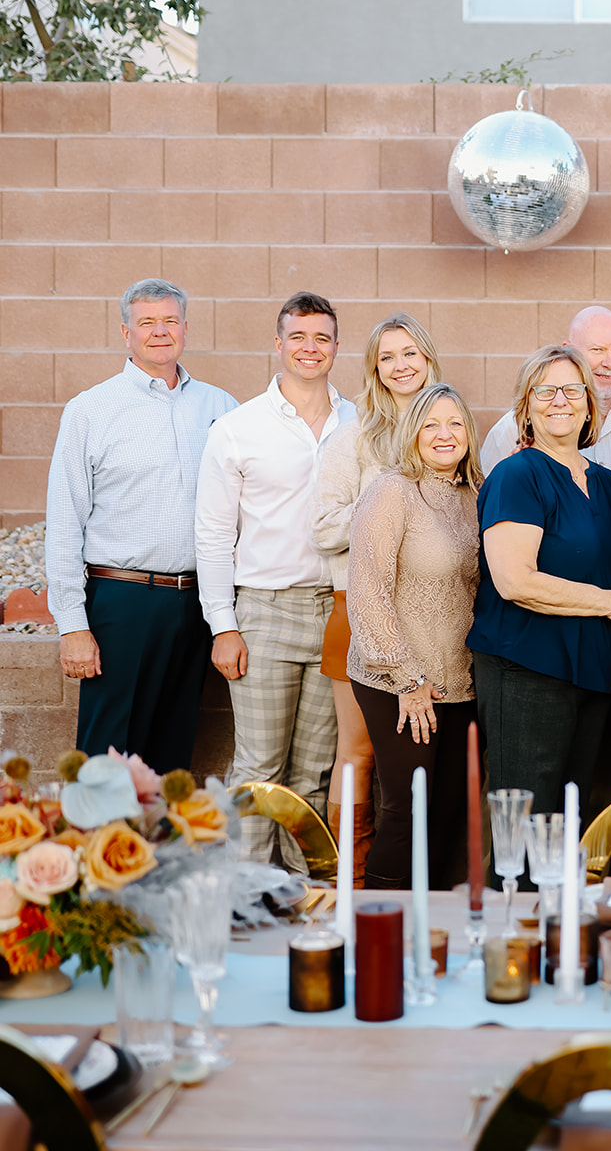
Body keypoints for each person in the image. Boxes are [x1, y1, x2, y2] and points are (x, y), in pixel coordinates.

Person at [45, 278, 238, 772]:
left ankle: (157, 851)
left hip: (195, 602)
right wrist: (72, 625)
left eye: (170, 320)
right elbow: (66, 520)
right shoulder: (90, 410)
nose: (159, 332)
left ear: (186, 329)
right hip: (121, 603)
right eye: (146, 322)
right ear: (126, 332)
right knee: (106, 757)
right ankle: (93, 849)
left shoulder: (222, 409)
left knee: (172, 755)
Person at [194, 293, 356, 867]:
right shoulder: (238, 429)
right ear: (280, 342)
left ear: (337, 346)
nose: (310, 348)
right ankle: (243, 899)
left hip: (339, 613)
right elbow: (213, 534)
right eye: (298, 337)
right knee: (258, 768)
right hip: (264, 610)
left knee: (313, 771)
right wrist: (223, 625)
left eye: (322, 338)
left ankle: (300, 900)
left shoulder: (359, 423)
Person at [466, 346, 611, 817]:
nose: (559, 400)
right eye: (545, 390)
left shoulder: (608, 484)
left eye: (571, 389)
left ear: (590, 404)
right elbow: (514, 581)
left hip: (597, 675)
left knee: (579, 820)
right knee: (527, 818)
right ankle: (518, 898)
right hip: (528, 671)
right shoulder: (516, 476)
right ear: (526, 405)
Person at [310, 312, 441, 886]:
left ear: (428, 358)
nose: (400, 365)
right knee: (359, 754)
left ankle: (420, 879)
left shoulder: (448, 425)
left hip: (435, 621)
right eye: (387, 357)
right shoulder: (355, 435)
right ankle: (353, 881)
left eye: (409, 353)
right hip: (363, 612)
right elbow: (321, 527)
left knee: (418, 761)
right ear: (374, 369)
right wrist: (383, 504)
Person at [346, 383, 482, 890]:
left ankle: (436, 935)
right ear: (412, 433)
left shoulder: (477, 493)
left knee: (451, 810)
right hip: (397, 678)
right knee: (409, 806)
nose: (444, 435)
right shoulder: (392, 490)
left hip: (460, 681)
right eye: (430, 425)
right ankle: (381, 924)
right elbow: (367, 591)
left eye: (454, 424)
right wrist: (407, 678)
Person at [479, 305, 611, 484]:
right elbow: (487, 500)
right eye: (597, 350)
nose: (610, 363)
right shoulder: (509, 429)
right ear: (569, 351)